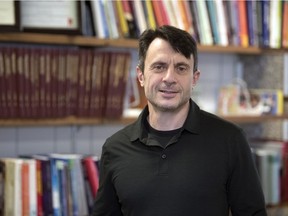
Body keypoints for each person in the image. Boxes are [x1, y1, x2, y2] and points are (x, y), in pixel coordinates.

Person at [92, 25, 267, 216]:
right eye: (159, 67)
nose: (169, 78)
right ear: (141, 76)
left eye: (181, 68)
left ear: (194, 78)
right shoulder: (115, 148)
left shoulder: (230, 139)